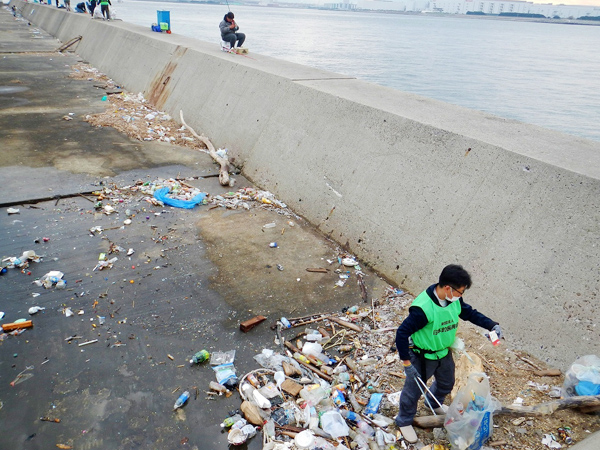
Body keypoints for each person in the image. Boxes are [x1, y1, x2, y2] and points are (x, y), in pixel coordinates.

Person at [394, 264, 502, 444]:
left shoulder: (454, 300)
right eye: (460, 292)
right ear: (447, 288)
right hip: (422, 356)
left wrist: (492, 325)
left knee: (447, 382)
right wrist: (407, 363)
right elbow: (402, 333)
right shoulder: (423, 309)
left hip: (443, 352)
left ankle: (433, 403)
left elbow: (470, 314)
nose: (461, 297)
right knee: (413, 391)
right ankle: (404, 420)